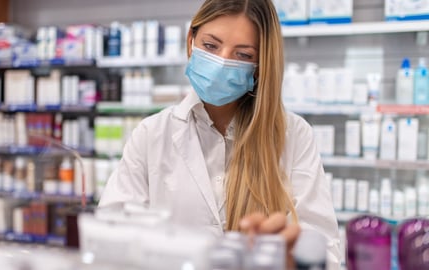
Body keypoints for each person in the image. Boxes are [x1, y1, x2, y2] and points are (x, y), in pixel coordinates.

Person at [99, 0, 341, 268]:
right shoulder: (150, 134)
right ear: (191, 40)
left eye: (243, 55)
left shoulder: (293, 135)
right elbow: (111, 243)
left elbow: (325, 252)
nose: (221, 63)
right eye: (211, 46)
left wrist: (290, 261)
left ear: (261, 64)